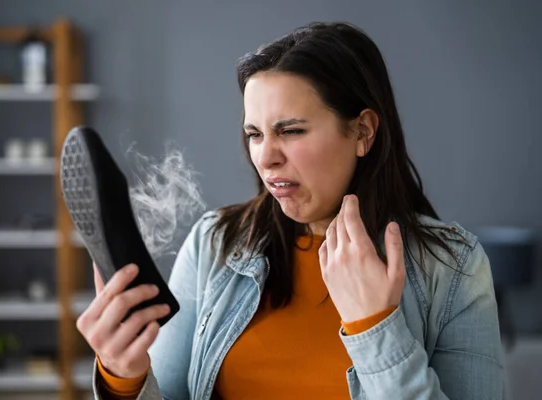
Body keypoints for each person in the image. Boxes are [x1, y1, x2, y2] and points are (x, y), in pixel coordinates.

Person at [77, 21, 505, 399]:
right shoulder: (215, 244)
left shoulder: (453, 268)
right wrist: (123, 380)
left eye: (291, 130)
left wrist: (375, 326)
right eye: (254, 134)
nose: (265, 158)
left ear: (363, 131)